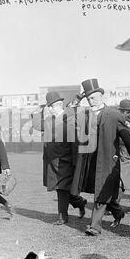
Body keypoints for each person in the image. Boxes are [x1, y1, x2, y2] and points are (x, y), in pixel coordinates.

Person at [71, 79, 130, 236]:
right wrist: (77, 100)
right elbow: (67, 117)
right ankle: (118, 212)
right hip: (90, 161)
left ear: (101, 96)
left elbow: (127, 138)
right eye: (88, 98)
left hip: (108, 161)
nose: (91, 101)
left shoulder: (114, 115)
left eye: (94, 98)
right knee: (102, 191)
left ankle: (95, 227)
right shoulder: (85, 115)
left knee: (100, 193)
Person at [31, 91, 87, 225]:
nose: (51, 109)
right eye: (50, 106)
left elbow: (75, 144)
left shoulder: (68, 119)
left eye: (55, 105)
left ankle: (63, 217)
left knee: (62, 189)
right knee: (61, 189)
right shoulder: (50, 121)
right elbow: (37, 125)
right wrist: (37, 113)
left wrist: (75, 163)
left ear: (60, 105)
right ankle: (80, 202)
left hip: (65, 161)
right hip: (52, 163)